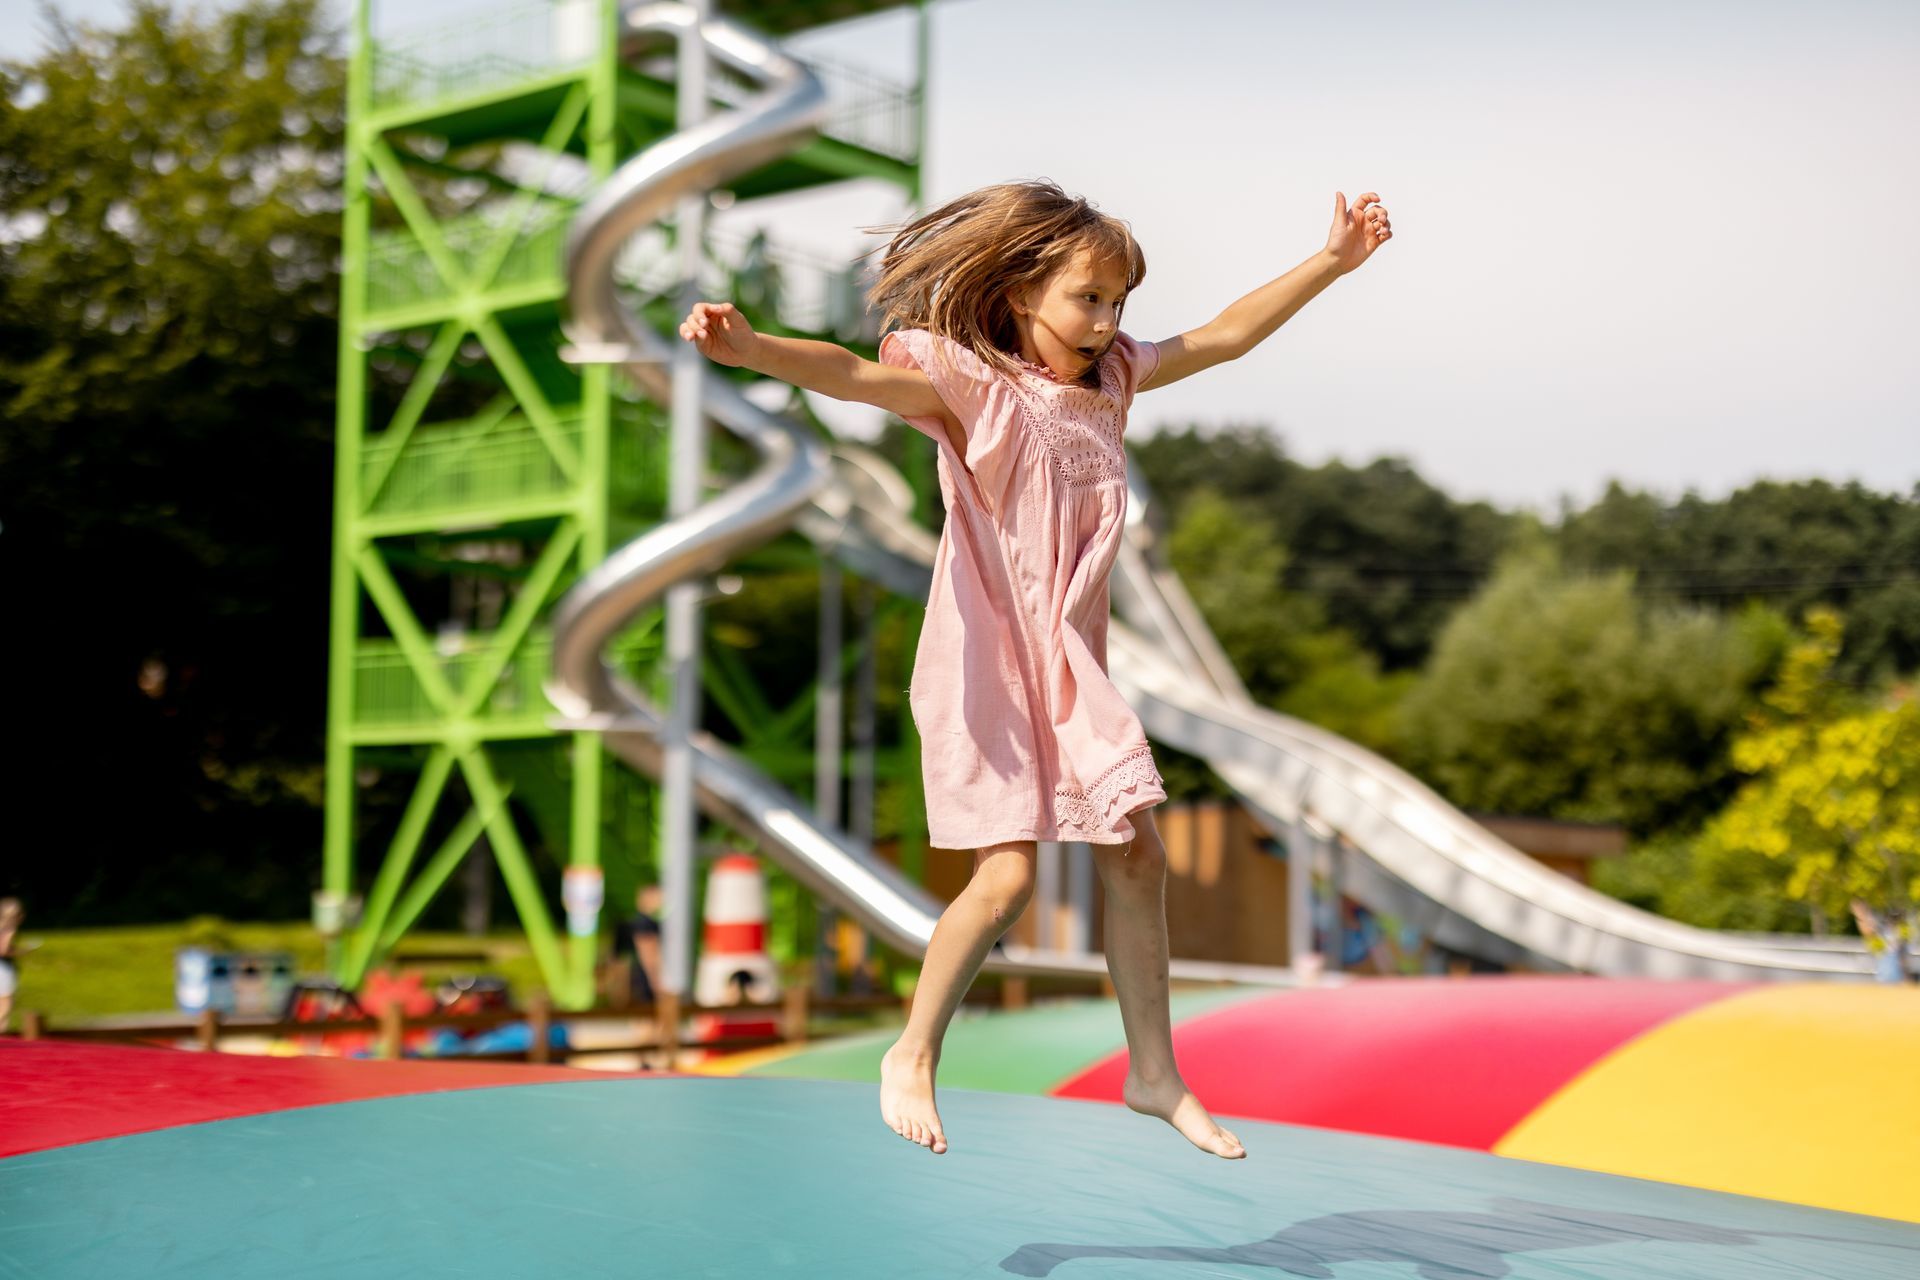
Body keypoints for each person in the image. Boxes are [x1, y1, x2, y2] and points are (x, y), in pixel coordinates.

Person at [678, 179, 1392, 1158]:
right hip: (986, 662)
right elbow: (850, 374)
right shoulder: (978, 388)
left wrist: (1331, 263)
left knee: (1138, 852)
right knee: (1006, 874)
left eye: (1116, 303)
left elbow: (1224, 334)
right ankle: (913, 1051)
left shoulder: (1116, 381)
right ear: (1021, 295)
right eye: (1084, 300)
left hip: (1071, 668)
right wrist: (751, 350)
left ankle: (1153, 1072)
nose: (1104, 323)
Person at [611, 884, 665, 1008]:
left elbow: (617, 958)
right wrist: (657, 984)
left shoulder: (631, 923)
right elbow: (649, 955)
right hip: (647, 984)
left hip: (637, 984)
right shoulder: (646, 924)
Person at [0, 898, 22, 1033]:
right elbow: (3, 950)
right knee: (6, 1002)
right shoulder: (10, 928)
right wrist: (21, 952)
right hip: (4, 967)